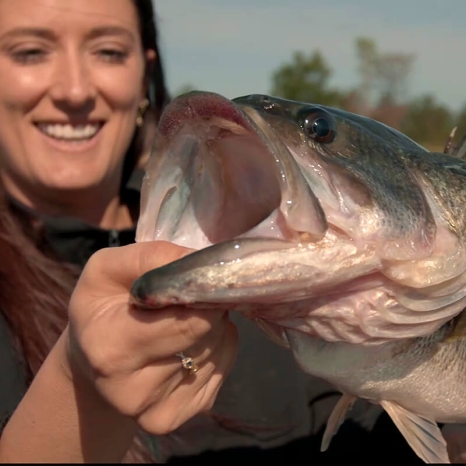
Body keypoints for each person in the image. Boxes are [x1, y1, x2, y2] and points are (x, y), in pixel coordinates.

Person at [0, 0, 459, 464]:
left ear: (144, 70)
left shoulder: (264, 248)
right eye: (29, 52)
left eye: (108, 52)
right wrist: (78, 389)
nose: (75, 89)